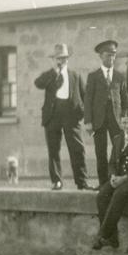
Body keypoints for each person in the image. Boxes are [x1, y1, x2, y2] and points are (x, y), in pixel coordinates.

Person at [34, 43, 92, 191]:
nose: (61, 61)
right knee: (53, 150)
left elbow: (85, 96)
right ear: (54, 59)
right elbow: (38, 83)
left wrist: (86, 116)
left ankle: (82, 182)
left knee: (77, 148)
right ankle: (57, 181)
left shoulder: (75, 75)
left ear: (68, 59)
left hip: (71, 115)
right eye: (58, 58)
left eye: (64, 58)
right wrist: (54, 72)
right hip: (52, 115)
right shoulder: (49, 75)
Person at [93, 110, 128, 250]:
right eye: (124, 122)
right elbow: (112, 162)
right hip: (118, 178)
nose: (127, 126)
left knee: (120, 194)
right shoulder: (118, 138)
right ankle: (112, 239)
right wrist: (113, 175)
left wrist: (124, 178)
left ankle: (103, 235)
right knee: (102, 195)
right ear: (120, 123)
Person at [85, 40, 128, 188]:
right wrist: (88, 121)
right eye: (107, 55)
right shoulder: (93, 76)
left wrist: (126, 119)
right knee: (100, 152)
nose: (111, 58)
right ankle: (103, 183)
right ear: (101, 57)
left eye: (113, 55)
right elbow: (88, 100)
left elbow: (125, 100)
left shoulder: (119, 76)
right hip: (99, 120)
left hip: (116, 119)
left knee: (118, 151)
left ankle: (117, 180)